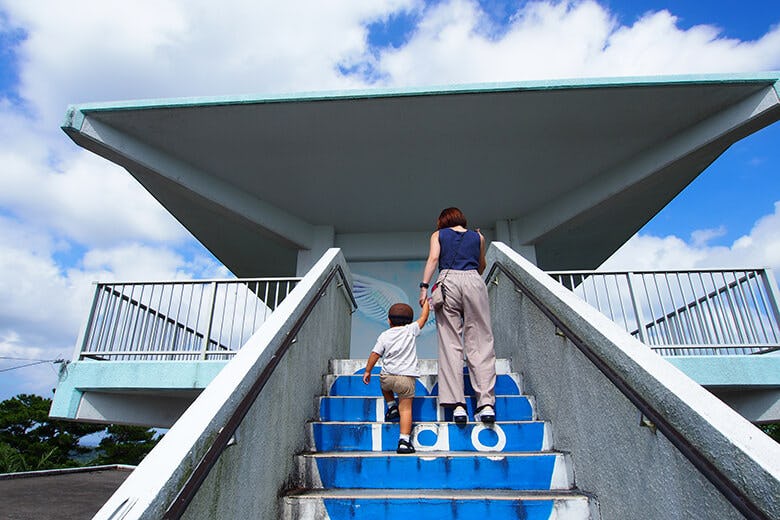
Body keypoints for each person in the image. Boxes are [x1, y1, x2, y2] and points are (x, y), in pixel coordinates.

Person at [419, 207, 496, 424]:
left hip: (448, 282)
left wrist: (424, 287)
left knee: (450, 343)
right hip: (473, 281)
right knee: (480, 341)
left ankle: (458, 405)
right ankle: (486, 404)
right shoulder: (478, 237)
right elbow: (482, 266)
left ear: (442, 220)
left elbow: (434, 259)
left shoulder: (438, 235)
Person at [363, 299, 430, 454]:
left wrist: (368, 371)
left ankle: (391, 405)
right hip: (405, 379)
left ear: (389, 320)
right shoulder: (411, 330)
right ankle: (404, 441)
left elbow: (375, 354)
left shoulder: (385, 335)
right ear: (410, 321)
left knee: (385, 386)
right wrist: (426, 303)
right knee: (406, 410)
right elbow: (424, 317)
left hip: (387, 377)